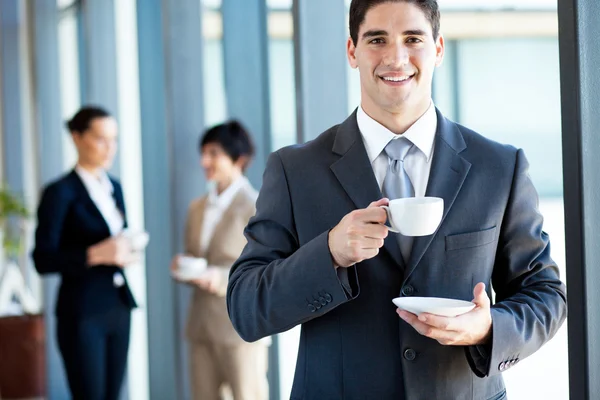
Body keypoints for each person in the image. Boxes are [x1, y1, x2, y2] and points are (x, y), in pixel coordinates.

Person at [226, 1, 567, 399]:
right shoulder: (294, 169)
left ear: (438, 48)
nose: (396, 57)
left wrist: (489, 327)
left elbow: (545, 295)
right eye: (377, 39)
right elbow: (246, 308)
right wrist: (329, 253)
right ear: (352, 51)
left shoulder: (499, 167)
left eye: (413, 39)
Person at [32, 106, 140, 400]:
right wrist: (94, 254)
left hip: (117, 307)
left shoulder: (114, 188)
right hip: (82, 312)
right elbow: (42, 258)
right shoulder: (60, 192)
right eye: (101, 139)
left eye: (114, 139)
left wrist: (126, 251)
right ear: (77, 138)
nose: (110, 148)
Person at [170, 120, 269, 400]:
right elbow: (195, 257)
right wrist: (183, 266)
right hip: (200, 326)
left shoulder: (258, 205)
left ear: (239, 158)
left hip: (240, 327)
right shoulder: (197, 207)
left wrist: (219, 278)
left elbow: (266, 268)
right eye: (204, 153)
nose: (204, 161)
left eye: (214, 153)